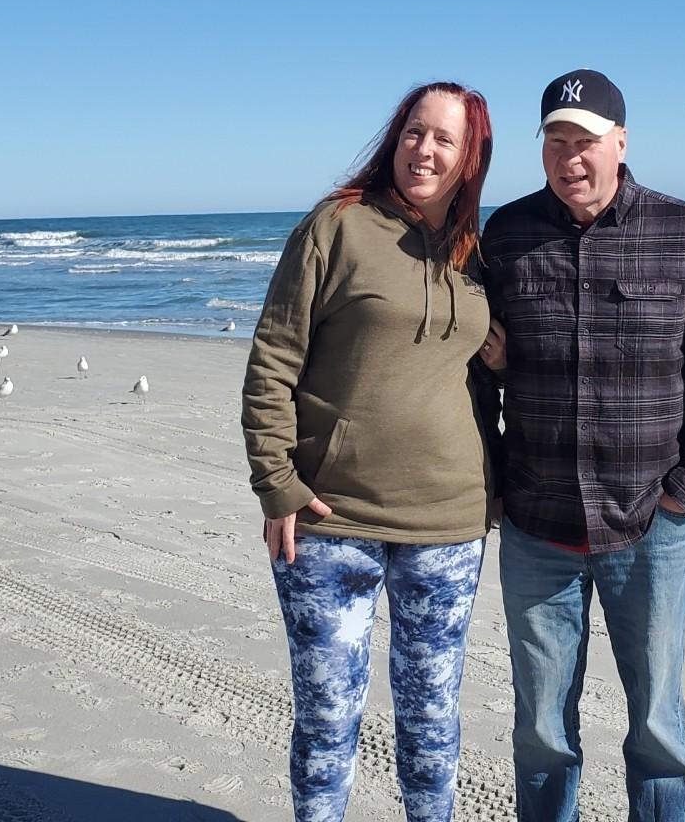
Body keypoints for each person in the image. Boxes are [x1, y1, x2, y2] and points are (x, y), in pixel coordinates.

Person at [478, 68, 685, 822]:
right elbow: (475, 367)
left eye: (586, 141)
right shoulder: (507, 235)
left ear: (620, 142)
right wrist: (490, 476)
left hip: (648, 523)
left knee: (657, 726)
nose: (571, 158)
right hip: (537, 523)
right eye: (556, 142)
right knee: (541, 730)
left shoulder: (683, 230)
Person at [241, 81, 502, 822]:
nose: (424, 150)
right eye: (414, 132)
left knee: (432, 720)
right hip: (332, 521)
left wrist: (508, 371)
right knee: (328, 719)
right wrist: (276, 483)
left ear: (470, 157)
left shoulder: (476, 254)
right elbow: (273, 360)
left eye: (445, 139)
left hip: (447, 524)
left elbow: (485, 375)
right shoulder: (336, 227)